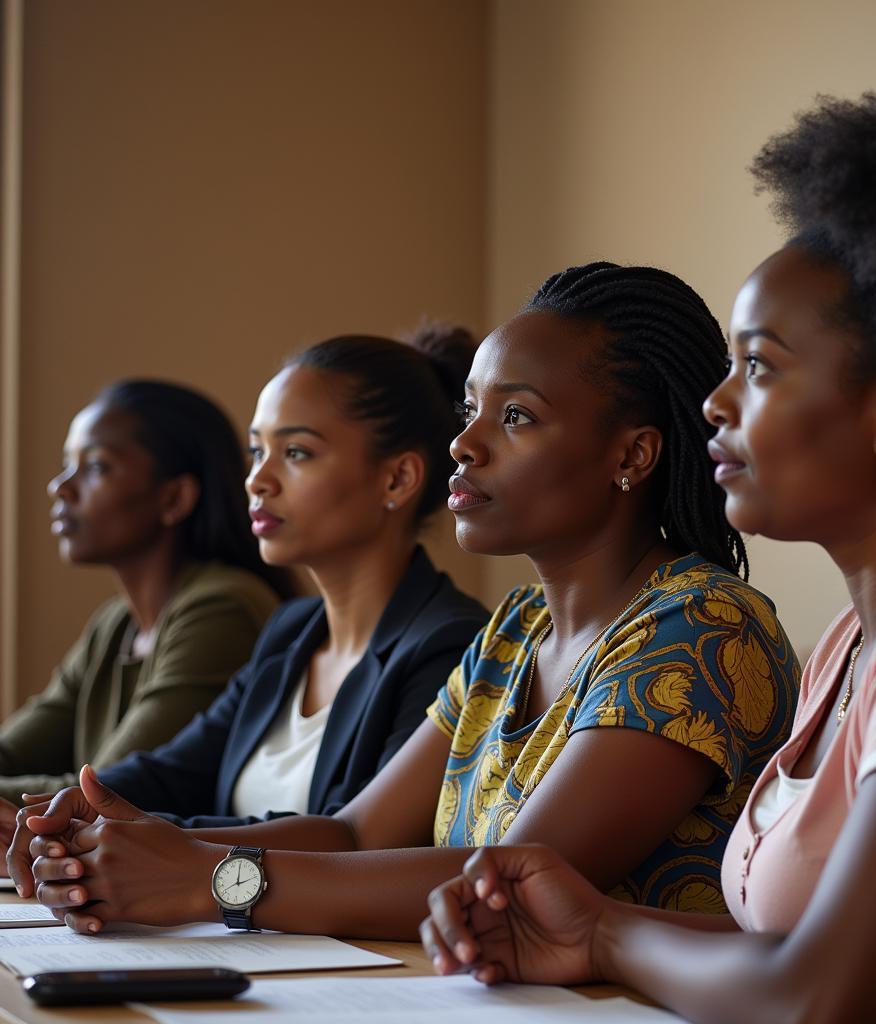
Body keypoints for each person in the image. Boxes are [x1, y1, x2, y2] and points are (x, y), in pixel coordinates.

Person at [419, 91, 876, 1023]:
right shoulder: (856, 646)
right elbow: (786, 949)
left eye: (762, 366)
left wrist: (609, 937)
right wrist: (588, 925)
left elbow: (828, 997)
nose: (714, 402)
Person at [12, 263, 799, 938]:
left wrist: (207, 879)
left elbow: (518, 883)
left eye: (515, 415)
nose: (464, 443)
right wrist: (134, 837)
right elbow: (357, 830)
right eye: (470, 412)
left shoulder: (702, 624)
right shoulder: (516, 629)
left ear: (632, 455)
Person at [23, 328, 490, 832]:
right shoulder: (290, 630)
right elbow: (170, 774)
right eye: (255, 451)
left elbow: (352, 844)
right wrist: (52, 814)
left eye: (295, 453)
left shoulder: (450, 644)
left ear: (397, 479)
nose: (257, 480)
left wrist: (156, 843)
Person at [0, 380, 288, 864]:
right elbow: (17, 749)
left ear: (174, 498)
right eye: (67, 464)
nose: (60, 486)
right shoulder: (115, 624)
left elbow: (107, 792)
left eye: (95, 467)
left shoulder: (223, 608)